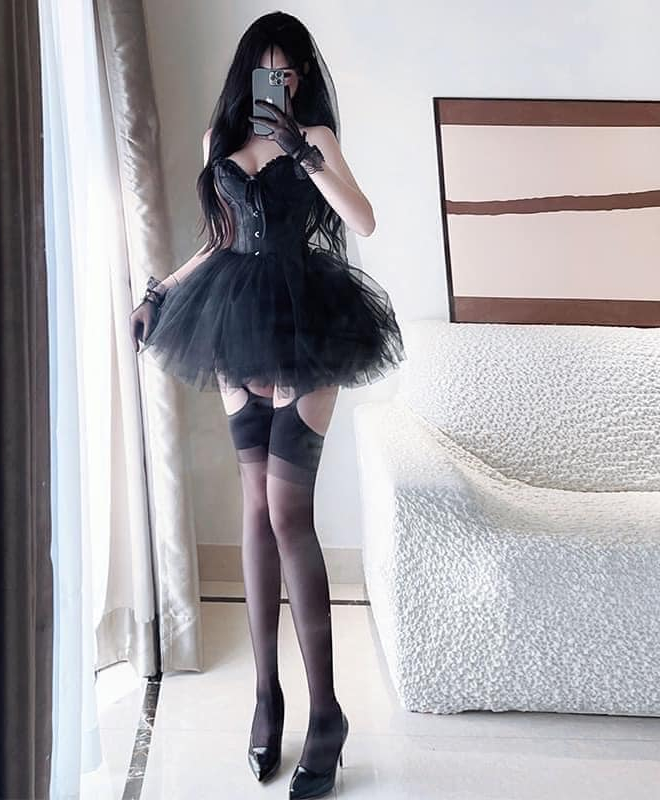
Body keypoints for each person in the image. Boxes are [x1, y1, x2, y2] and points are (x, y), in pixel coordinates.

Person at [129, 11, 406, 799]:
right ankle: (266, 696)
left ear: (301, 77)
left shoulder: (314, 136)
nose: (277, 83)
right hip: (233, 319)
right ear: (247, 72)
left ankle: (326, 713)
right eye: (266, 70)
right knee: (254, 508)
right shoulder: (217, 141)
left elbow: (363, 219)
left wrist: (305, 156)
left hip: (310, 319)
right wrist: (158, 294)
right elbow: (219, 240)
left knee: (289, 512)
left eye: (288, 72)